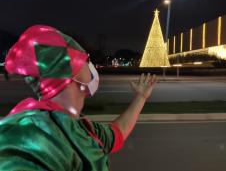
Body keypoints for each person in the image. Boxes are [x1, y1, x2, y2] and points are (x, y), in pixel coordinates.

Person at [0, 25, 157, 171]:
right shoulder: (26, 133)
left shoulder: (82, 126)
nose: (91, 66)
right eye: (86, 59)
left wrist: (140, 97)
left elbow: (118, 132)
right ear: (71, 70)